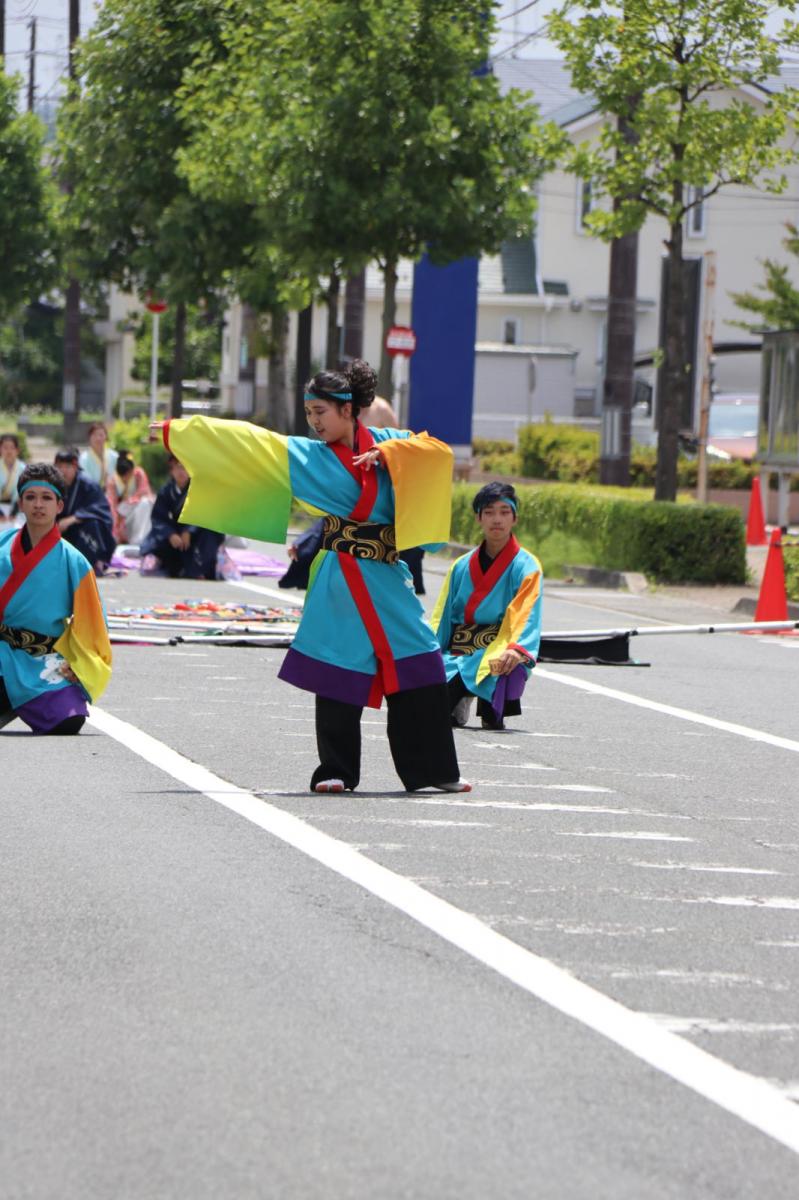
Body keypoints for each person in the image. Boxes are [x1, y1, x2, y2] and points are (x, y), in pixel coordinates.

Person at [150, 358, 469, 795]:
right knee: (339, 668)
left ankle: (434, 770)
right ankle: (335, 770)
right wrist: (181, 432)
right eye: (309, 413)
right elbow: (249, 442)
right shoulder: (309, 456)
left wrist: (391, 454)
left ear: (348, 409)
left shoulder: (390, 442)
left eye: (321, 411)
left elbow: (436, 451)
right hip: (340, 577)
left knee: (422, 661)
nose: (314, 422)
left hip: (387, 576)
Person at [0, 463, 112, 734]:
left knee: (70, 720)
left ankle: (15, 701)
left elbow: (93, 624)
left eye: (46, 498)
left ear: (59, 506)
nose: (38, 504)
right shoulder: (2, 546)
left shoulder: (74, 561)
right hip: (2, 656)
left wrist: (80, 665)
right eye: (30, 497)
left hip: (43, 660)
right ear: (21, 503)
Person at [432, 481, 542, 732]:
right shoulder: (461, 565)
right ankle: (459, 696)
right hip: (459, 652)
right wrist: (429, 653)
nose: (497, 519)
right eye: (489, 512)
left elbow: (528, 615)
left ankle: (487, 703)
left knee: (493, 721)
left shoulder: (527, 566)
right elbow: (443, 615)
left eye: (505, 512)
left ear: (515, 518)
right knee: (434, 714)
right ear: (478, 518)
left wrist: (516, 650)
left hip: (499, 650)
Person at [140, 454, 224, 579]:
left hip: (194, 532)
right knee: (157, 534)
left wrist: (189, 531)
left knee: (210, 533)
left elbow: (202, 513)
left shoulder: (197, 490)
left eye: (185, 468)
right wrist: (170, 534)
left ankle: (204, 567)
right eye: (178, 468)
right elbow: (158, 517)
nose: (181, 472)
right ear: (172, 471)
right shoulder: (166, 491)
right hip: (174, 534)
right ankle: (156, 559)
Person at [54, 447, 117, 574]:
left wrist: (73, 519)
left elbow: (100, 509)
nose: (63, 471)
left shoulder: (89, 485)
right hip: (59, 530)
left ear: (76, 467)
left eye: (67, 467)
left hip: (83, 530)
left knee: (93, 524)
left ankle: (94, 562)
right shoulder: (52, 484)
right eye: (59, 467)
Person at [106, 449, 154, 546]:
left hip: (138, 510)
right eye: (122, 476)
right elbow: (112, 504)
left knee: (146, 503)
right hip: (121, 516)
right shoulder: (112, 481)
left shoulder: (138, 474)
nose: (125, 478)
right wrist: (116, 527)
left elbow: (144, 491)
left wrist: (128, 502)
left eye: (128, 474)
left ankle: (140, 540)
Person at [79, 421, 118, 487]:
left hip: (113, 492)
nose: (98, 438)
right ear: (89, 437)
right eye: (94, 435)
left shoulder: (114, 456)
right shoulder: (84, 458)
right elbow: (84, 479)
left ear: (106, 437)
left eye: (101, 435)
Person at [0, 433, 25, 518]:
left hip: (16, 508)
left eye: (12, 448)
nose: (9, 451)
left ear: (17, 450)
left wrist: (16, 508)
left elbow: (23, 491)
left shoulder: (23, 468)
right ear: (0, 449)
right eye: (5, 447)